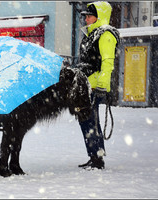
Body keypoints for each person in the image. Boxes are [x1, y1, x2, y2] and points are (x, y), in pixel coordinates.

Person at [76, 1, 120, 169]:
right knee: (86, 121)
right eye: (86, 16)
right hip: (86, 86)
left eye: (89, 15)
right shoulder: (93, 34)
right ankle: (93, 155)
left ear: (99, 16)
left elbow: (107, 63)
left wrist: (102, 86)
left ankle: (97, 159)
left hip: (95, 87)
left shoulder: (105, 35)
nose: (86, 19)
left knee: (91, 122)